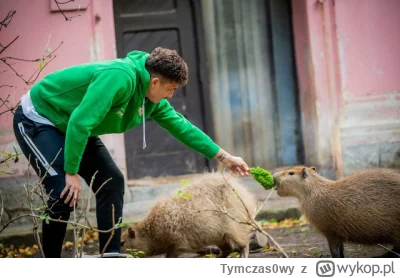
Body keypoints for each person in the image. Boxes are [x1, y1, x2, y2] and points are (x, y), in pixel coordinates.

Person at [12, 47, 250, 258]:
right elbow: (80, 123)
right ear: (155, 82)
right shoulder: (119, 77)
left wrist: (225, 157)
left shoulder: (152, 100)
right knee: (62, 192)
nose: (171, 96)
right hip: (40, 118)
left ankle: (111, 255)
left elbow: (183, 128)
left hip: (74, 124)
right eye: (170, 89)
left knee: (112, 180)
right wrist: (71, 172)